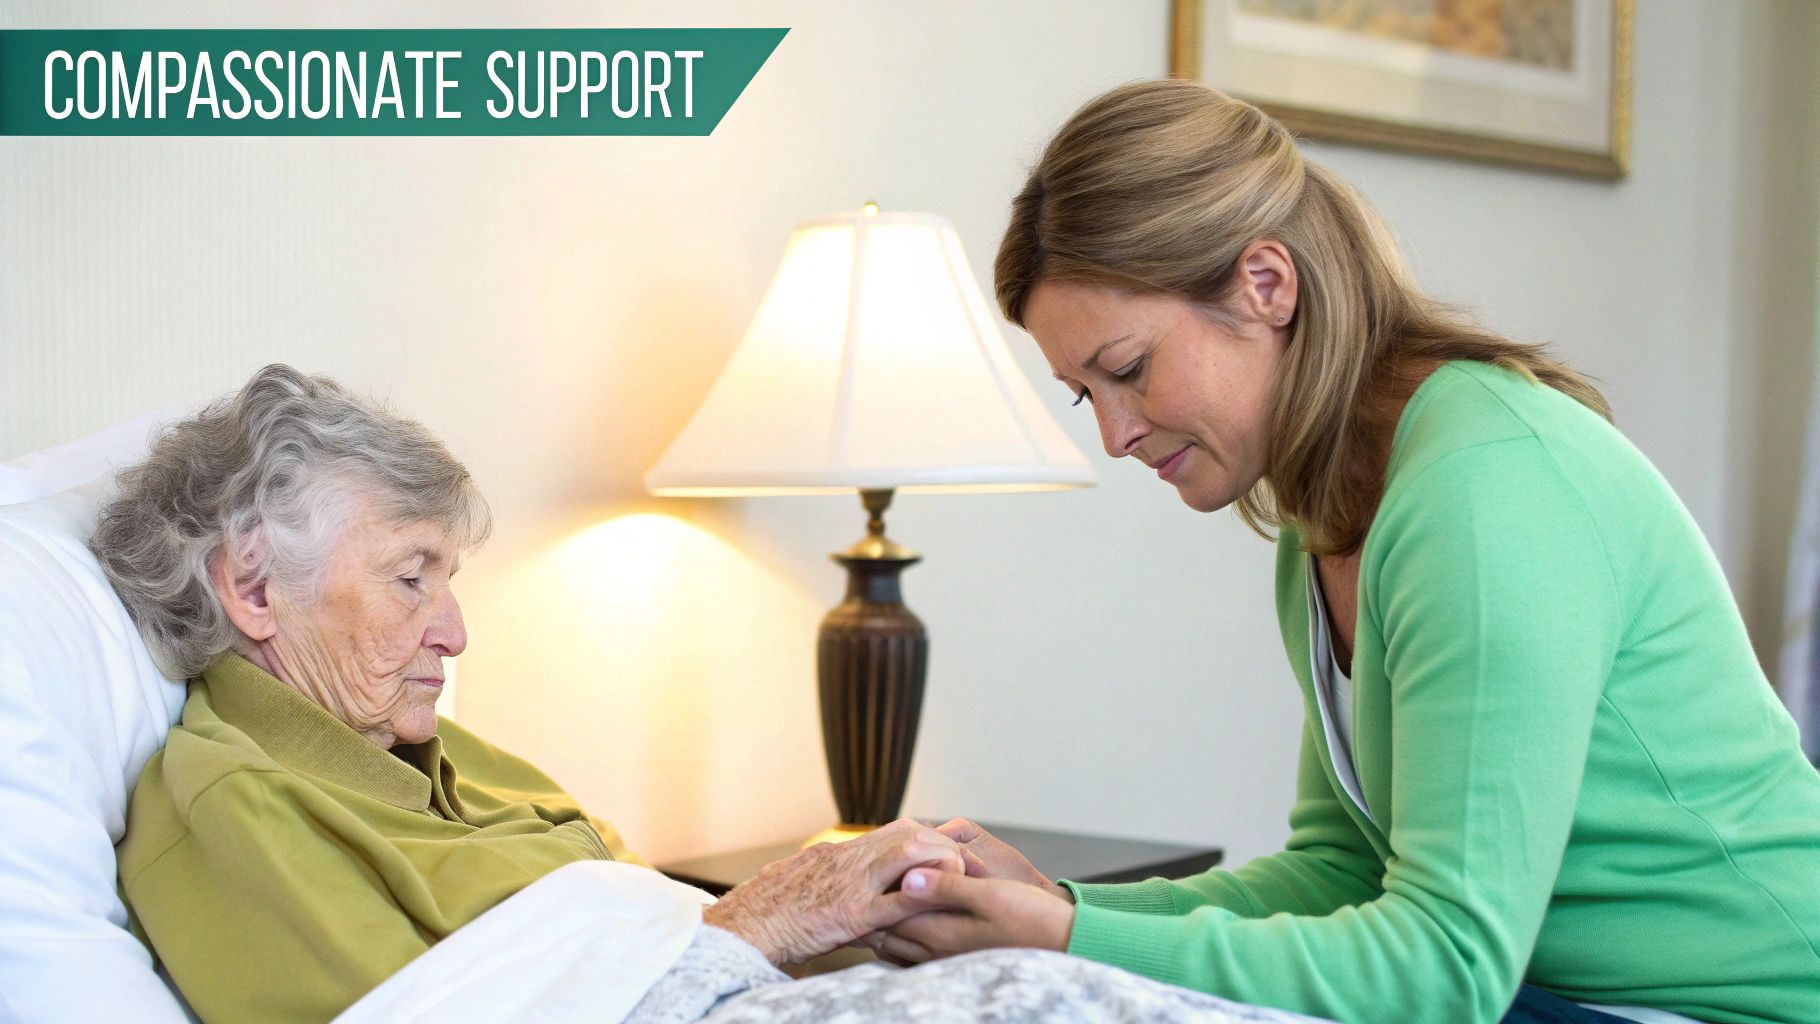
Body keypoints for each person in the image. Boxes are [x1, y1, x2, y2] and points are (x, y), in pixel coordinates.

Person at [871, 80, 1820, 1024]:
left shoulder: (1485, 490)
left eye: (1127, 370)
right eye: (1086, 394)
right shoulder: (1327, 512)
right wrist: (1060, 910)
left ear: (1267, 285)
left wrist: (1065, 944)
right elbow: (1341, 871)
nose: (1114, 433)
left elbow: (1447, 967)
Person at [94, 365, 969, 1023]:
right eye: (410, 579)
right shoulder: (230, 807)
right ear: (251, 591)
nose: (455, 632)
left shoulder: (435, 748)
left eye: (447, 580)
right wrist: (765, 921)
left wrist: (867, 917)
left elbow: (655, 913)